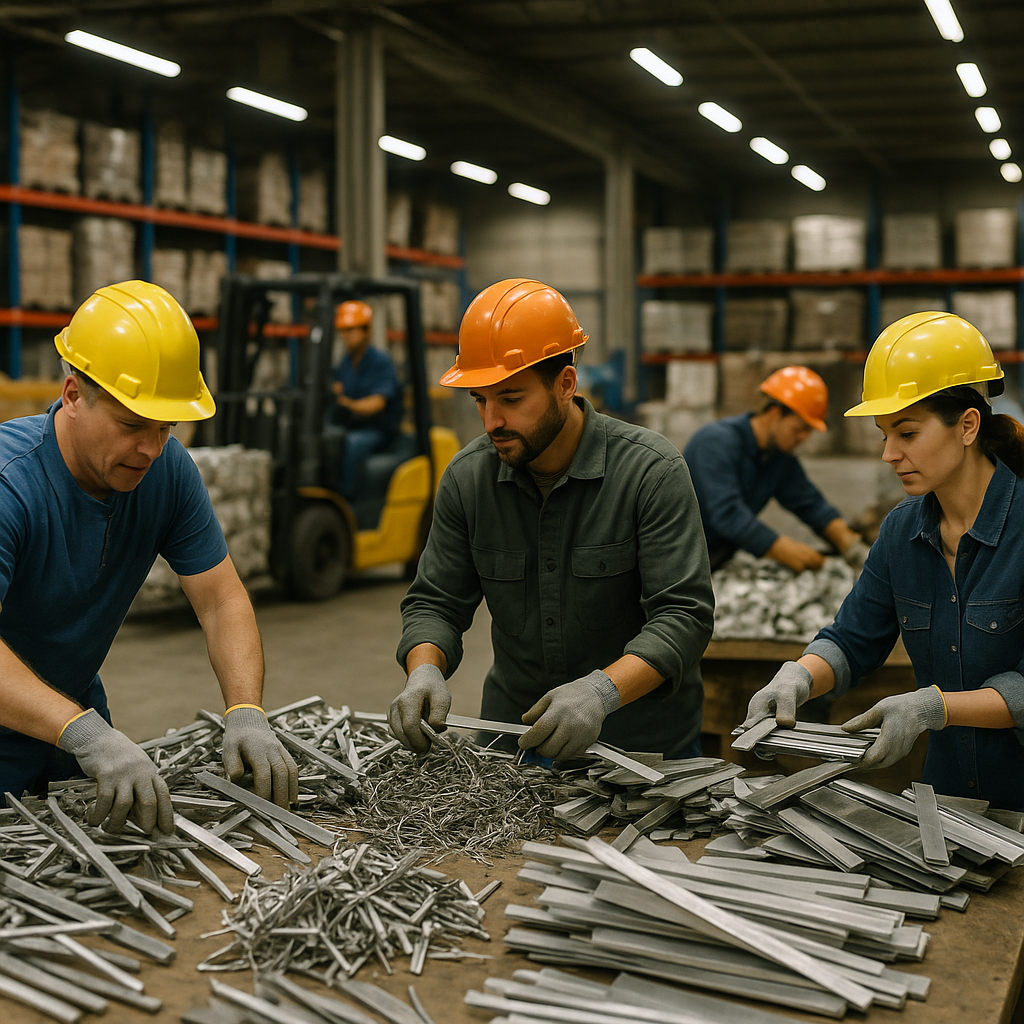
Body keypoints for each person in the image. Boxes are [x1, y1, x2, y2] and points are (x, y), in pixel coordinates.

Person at [0, 280, 298, 833]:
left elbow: (221, 599)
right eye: (133, 425)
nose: (151, 449)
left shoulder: (167, 472)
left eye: (167, 427)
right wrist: (84, 733)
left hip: (71, 721)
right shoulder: (9, 485)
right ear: (71, 394)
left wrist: (245, 710)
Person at [388, 278, 714, 762]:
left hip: (638, 749)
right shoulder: (468, 478)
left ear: (565, 383)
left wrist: (602, 692)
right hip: (512, 741)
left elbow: (683, 615)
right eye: (480, 399)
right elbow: (436, 602)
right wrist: (424, 668)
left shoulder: (650, 471)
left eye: (511, 398)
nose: (491, 421)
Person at [742, 312, 1024, 810]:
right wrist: (800, 675)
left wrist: (933, 708)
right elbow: (853, 639)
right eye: (883, 434)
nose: (888, 453)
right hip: (951, 802)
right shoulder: (902, 531)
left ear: (967, 426)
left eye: (907, 433)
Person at [684, 366, 868, 572]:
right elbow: (728, 515)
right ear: (774, 414)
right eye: (798, 429)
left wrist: (850, 544)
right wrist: (783, 548)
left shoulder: (777, 457)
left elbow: (809, 503)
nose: (803, 438)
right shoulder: (715, 443)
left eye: (808, 432)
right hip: (681, 557)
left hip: (718, 557)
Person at [330, 300, 402, 498]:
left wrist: (346, 403)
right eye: (343, 331)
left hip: (378, 429)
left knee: (352, 444)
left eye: (351, 330)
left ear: (367, 331)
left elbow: (378, 403)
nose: (346, 336)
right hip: (353, 425)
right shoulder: (345, 363)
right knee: (328, 438)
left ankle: (348, 498)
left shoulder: (380, 362)